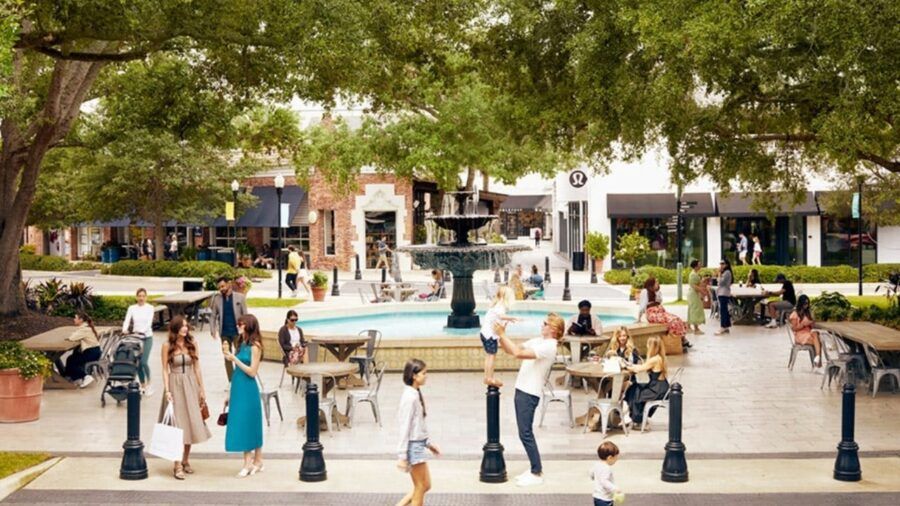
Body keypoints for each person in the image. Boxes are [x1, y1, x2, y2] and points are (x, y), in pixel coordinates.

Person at [495, 312, 566, 487]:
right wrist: (500, 337)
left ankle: (536, 471)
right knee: (524, 432)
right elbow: (512, 350)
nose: (542, 325)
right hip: (522, 389)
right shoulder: (538, 340)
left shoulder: (550, 346)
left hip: (530, 393)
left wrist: (503, 335)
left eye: (545, 323)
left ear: (554, 329)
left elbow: (518, 354)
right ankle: (535, 468)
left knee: (525, 433)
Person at [159, 316, 211, 480]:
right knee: (177, 426)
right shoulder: (167, 346)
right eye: (182, 326)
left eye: (186, 326)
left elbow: (197, 367)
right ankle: (177, 465)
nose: (185, 328)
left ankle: (185, 460)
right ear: (175, 328)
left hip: (190, 385)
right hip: (175, 385)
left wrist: (201, 389)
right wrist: (167, 391)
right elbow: (164, 370)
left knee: (190, 423)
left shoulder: (192, 344)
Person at [223, 314, 265, 477]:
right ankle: (255, 461)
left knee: (250, 424)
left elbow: (252, 372)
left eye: (241, 324)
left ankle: (250, 462)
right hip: (238, 388)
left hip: (248, 389)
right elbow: (236, 371)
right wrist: (229, 391)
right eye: (238, 324)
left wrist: (234, 358)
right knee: (242, 423)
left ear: (249, 326)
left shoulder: (255, 346)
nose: (238, 327)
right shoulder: (241, 344)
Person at [396, 358, 441, 506]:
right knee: (421, 486)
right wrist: (402, 456)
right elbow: (405, 426)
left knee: (425, 485)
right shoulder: (410, 397)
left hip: (418, 444)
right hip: (414, 446)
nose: (426, 376)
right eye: (424, 373)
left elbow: (418, 425)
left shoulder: (414, 394)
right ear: (414, 376)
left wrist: (428, 444)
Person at [624, 336, 669, 426]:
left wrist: (625, 366)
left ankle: (638, 419)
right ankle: (639, 417)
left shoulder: (654, 360)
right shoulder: (660, 357)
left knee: (634, 391)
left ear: (652, 347)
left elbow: (639, 369)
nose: (647, 346)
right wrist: (630, 365)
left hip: (657, 390)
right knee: (635, 387)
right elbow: (641, 367)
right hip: (661, 387)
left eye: (648, 345)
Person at [209, 276, 247, 382]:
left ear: (228, 284)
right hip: (224, 332)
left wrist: (245, 330)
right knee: (227, 357)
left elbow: (245, 315)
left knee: (239, 356)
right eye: (219, 287)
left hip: (237, 332)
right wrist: (213, 329)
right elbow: (212, 316)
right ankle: (231, 380)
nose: (221, 289)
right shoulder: (217, 299)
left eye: (222, 286)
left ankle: (241, 378)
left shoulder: (240, 297)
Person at [481, 286, 520, 387]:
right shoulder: (500, 306)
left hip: (485, 334)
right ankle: (489, 378)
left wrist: (507, 322)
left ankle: (487, 377)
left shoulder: (496, 304)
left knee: (489, 356)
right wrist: (513, 318)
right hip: (489, 335)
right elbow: (501, 316)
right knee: (491, 357)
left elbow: (500, 324)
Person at [123, 288, 155, 395]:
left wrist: (141, 331)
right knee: (137, 363)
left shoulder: (150, 308)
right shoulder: (132, 308)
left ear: (146, 297)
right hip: (135, 338)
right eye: (139, 296)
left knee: (143, 361)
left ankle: (149, 382)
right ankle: (142, 385)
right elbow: (127, 320)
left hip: (147, 337)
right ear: (136, 297)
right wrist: (125, 329)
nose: (141, 298)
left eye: (143, 296)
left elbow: (149, 323)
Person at [644, 278, 692, 349]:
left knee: (677, 319)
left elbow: (660, 301)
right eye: (656, 282)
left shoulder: (658, 292)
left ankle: (682, 339)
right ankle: (680, 340)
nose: (658, 283)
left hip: (660, 311)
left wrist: (657, 292)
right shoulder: (645, 292)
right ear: (651, 284)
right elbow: (642, 306)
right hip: (653, 313)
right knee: (672, 321)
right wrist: (639, 318)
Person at [63, 312, 101, 388]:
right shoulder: (85, 327)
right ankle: (69, 377)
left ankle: (85, 376)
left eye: (75, 318)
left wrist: (72, 335)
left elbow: (72, 338)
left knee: (72, 361)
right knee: (71, 358)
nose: (74, 319)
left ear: (81, 320)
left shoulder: (84, 329)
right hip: (94, 351)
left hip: (91, 353)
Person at [788, 295, 822, 367]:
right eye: (805, 304)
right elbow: (794, 328)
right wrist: (803, 325)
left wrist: (812, 323)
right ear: (801, 304)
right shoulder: (795, 314)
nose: (806, 305)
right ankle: (817, 362)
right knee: (819, 342)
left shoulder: (807, 313)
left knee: (815, 334)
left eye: (807, 303)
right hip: (800, 335)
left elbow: (811, 326)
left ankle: (817, 359)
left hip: (808, 333)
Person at [590, 441, 623, 506]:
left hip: (597, 496)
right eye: (616, 457)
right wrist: (615, 488)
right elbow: (604, 481)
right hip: (604, 498)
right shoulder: (606, 468)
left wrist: (593, 477)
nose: (617, 459)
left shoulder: (597, 464)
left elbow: (591, 473)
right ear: (610, 458)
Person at [686, 260, 706, 335]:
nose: (700, 265)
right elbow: (694, 286)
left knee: (691, 309)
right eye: (699, 264)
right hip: (693, 294)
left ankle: (688, 326)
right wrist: (702, 291)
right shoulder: (693, 274)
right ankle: (696, 329)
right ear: (696, 266)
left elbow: (697, 284)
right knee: (695, 310)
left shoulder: (694, 274)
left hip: (693, 294)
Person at [715, 259, 734, 335]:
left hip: (723, 293)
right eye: (720, 264)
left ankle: (723, 326)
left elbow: (721, 282)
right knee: (724, 310)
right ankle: (726, 326)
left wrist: (719, 274)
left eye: (723, 264)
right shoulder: (725, 272)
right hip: (722, 292)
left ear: (726, 265)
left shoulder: (727, 272)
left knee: (723, 311)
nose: (721, 265)